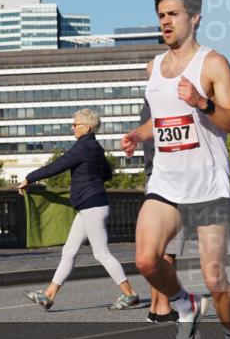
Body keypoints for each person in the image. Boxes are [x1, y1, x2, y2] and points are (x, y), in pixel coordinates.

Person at [120, 0, 230, 339]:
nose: (165, 22)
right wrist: (139, 135)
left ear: (195, 17)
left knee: (216, 279)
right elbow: (162, 120)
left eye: (173, 14)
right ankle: (184, 304)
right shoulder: (154, 68)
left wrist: (203, 103)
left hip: (208, 187)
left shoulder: (213, 64)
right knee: (145, 259)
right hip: (166, 183)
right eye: (161, 15)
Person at [18, 109, 140, 311]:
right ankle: (48, 295)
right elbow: (107, 174)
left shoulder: (84, 146)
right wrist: (90, 177)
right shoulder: (96, 148)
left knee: (101, 252)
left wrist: (29, 178)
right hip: (89, 205)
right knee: (69, 251)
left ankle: (130, 294)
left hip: (92, 206)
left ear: (88, 127)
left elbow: (58, 165)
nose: (72, 127)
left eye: (75, 124)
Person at [140, 100, 183, 323]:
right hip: (170, 179)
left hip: (153, 178)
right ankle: (164, 307)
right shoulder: (166, 105)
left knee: (156, 250)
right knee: (168, 252)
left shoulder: (148, 105)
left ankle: (156, 307)